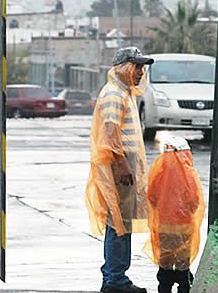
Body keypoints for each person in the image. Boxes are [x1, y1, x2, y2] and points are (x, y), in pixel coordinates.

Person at [85, 47, 154, 293]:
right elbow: (110, 132)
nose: (140, 73)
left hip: (125, 167)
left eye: (142, 68)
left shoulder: (124, 94)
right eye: (136, 67)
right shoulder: (114, 94)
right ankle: (115, 279)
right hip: (120, 169)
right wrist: (122, 163)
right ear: (123, 67)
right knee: (118, 224)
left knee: (122, 223)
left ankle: (115, 277)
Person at [144, 137, 204, 293]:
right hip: (184, 227)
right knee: (183, 260)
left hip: (164, 226)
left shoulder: (159, 173)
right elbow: (194, 201)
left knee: (165, 260)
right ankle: (183, 284)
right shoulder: (188, 175)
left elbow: (152, 197)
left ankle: (165, 286)